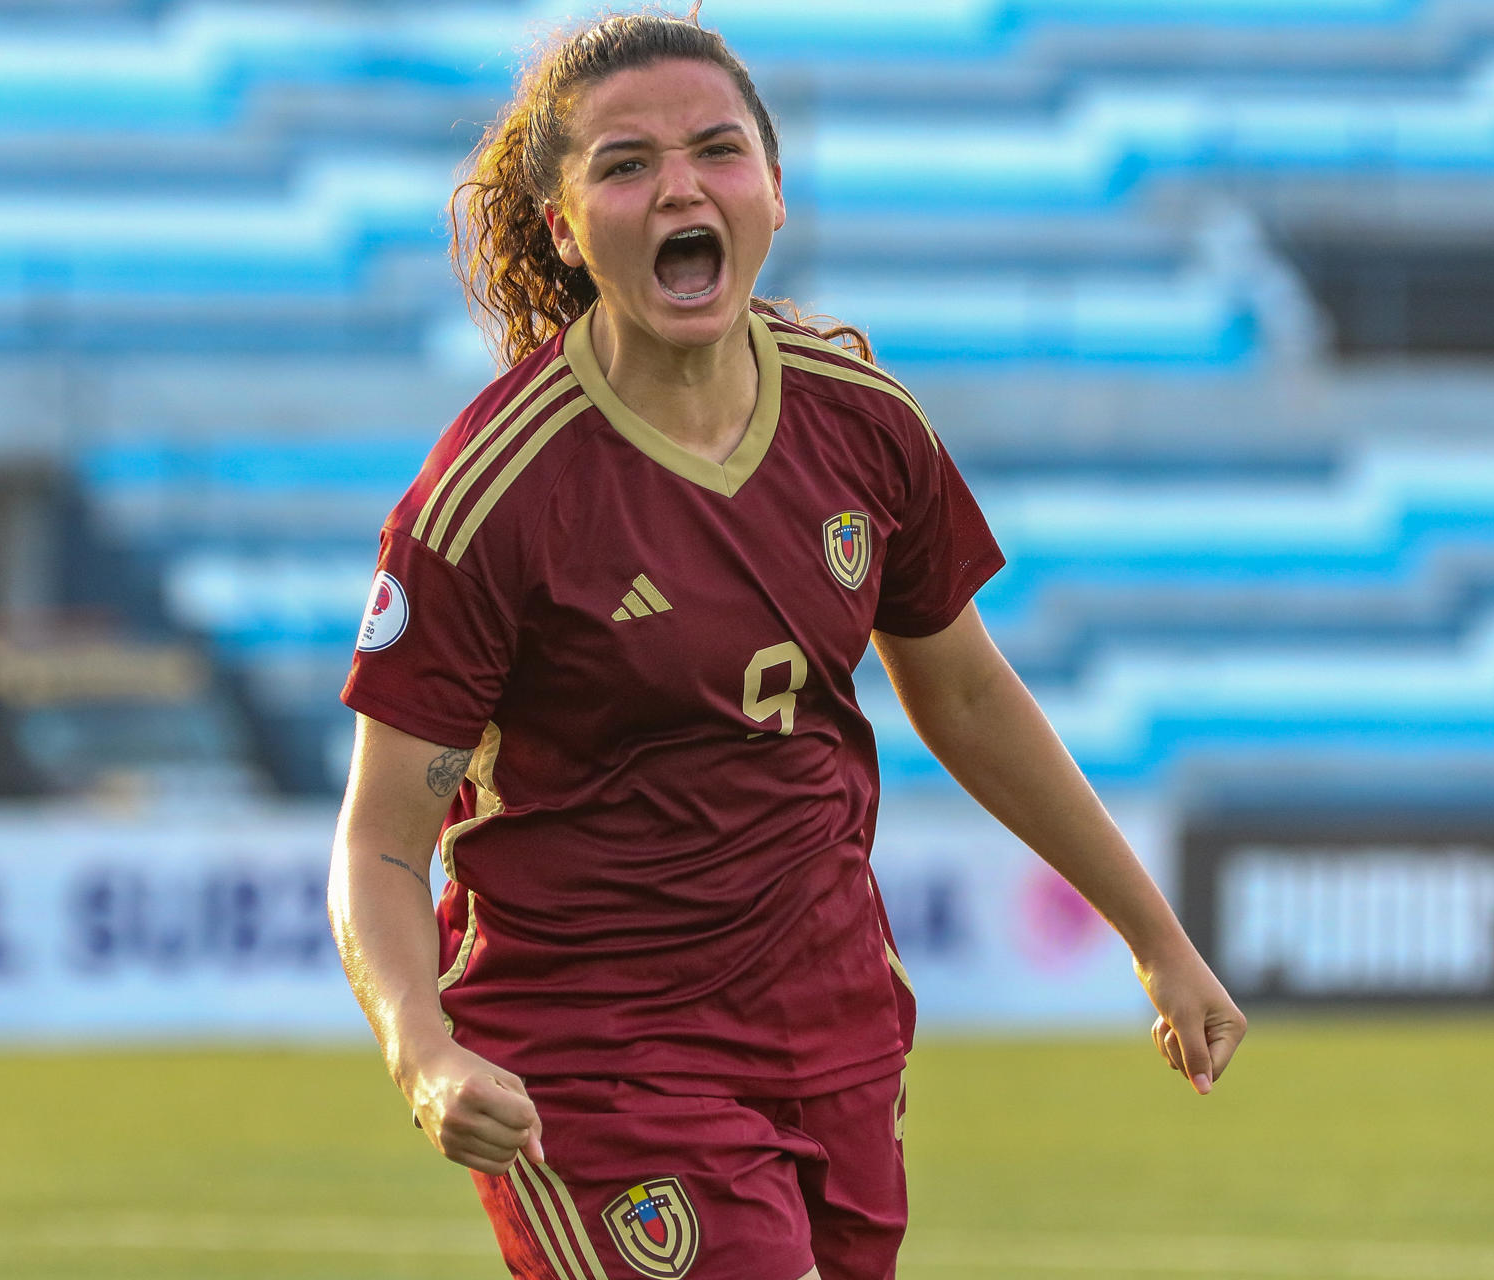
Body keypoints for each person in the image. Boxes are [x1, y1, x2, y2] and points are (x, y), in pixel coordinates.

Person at [327, 10, 1246, 1280]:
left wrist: (1157, 938)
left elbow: (969, 697)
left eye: (716, 149)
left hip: (836, 1025)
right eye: (625, 164)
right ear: (564, 226)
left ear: (772, 188)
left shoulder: (862, 422)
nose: (680, 188)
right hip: (594, 1053)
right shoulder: (490, 498)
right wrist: (422, 1048)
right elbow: (381, 839)